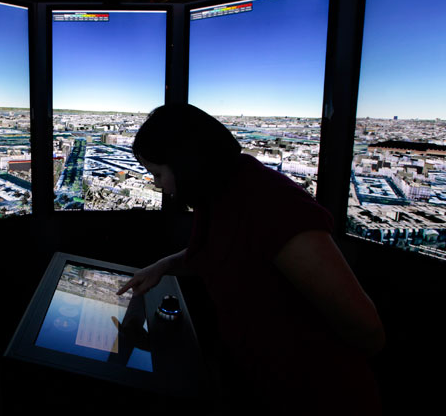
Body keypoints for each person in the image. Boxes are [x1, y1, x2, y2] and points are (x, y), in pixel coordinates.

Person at [116, 104, 385, 415]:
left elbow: (367, 328)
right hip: (266, 387)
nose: (158, 184)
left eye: (159, 173)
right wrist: (165, 265)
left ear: (187, 163)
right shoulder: (220, 192)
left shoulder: (270, 204)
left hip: (318, 402)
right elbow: (224, 250)